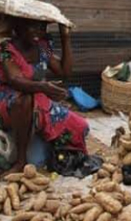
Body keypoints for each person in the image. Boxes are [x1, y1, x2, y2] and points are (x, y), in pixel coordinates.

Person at [0, 19, 89, 174]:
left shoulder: (43, 48)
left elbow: (64, 71)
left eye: (41, 28)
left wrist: (65, 38)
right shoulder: (6, 48)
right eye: (32, 26)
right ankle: (21, 160)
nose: (37, 32)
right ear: (19, 27)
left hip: (40, 100)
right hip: (9, 98)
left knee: (82, 128)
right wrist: (43, 87)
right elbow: (14, 80)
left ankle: (47, 141)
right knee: (25, 100)